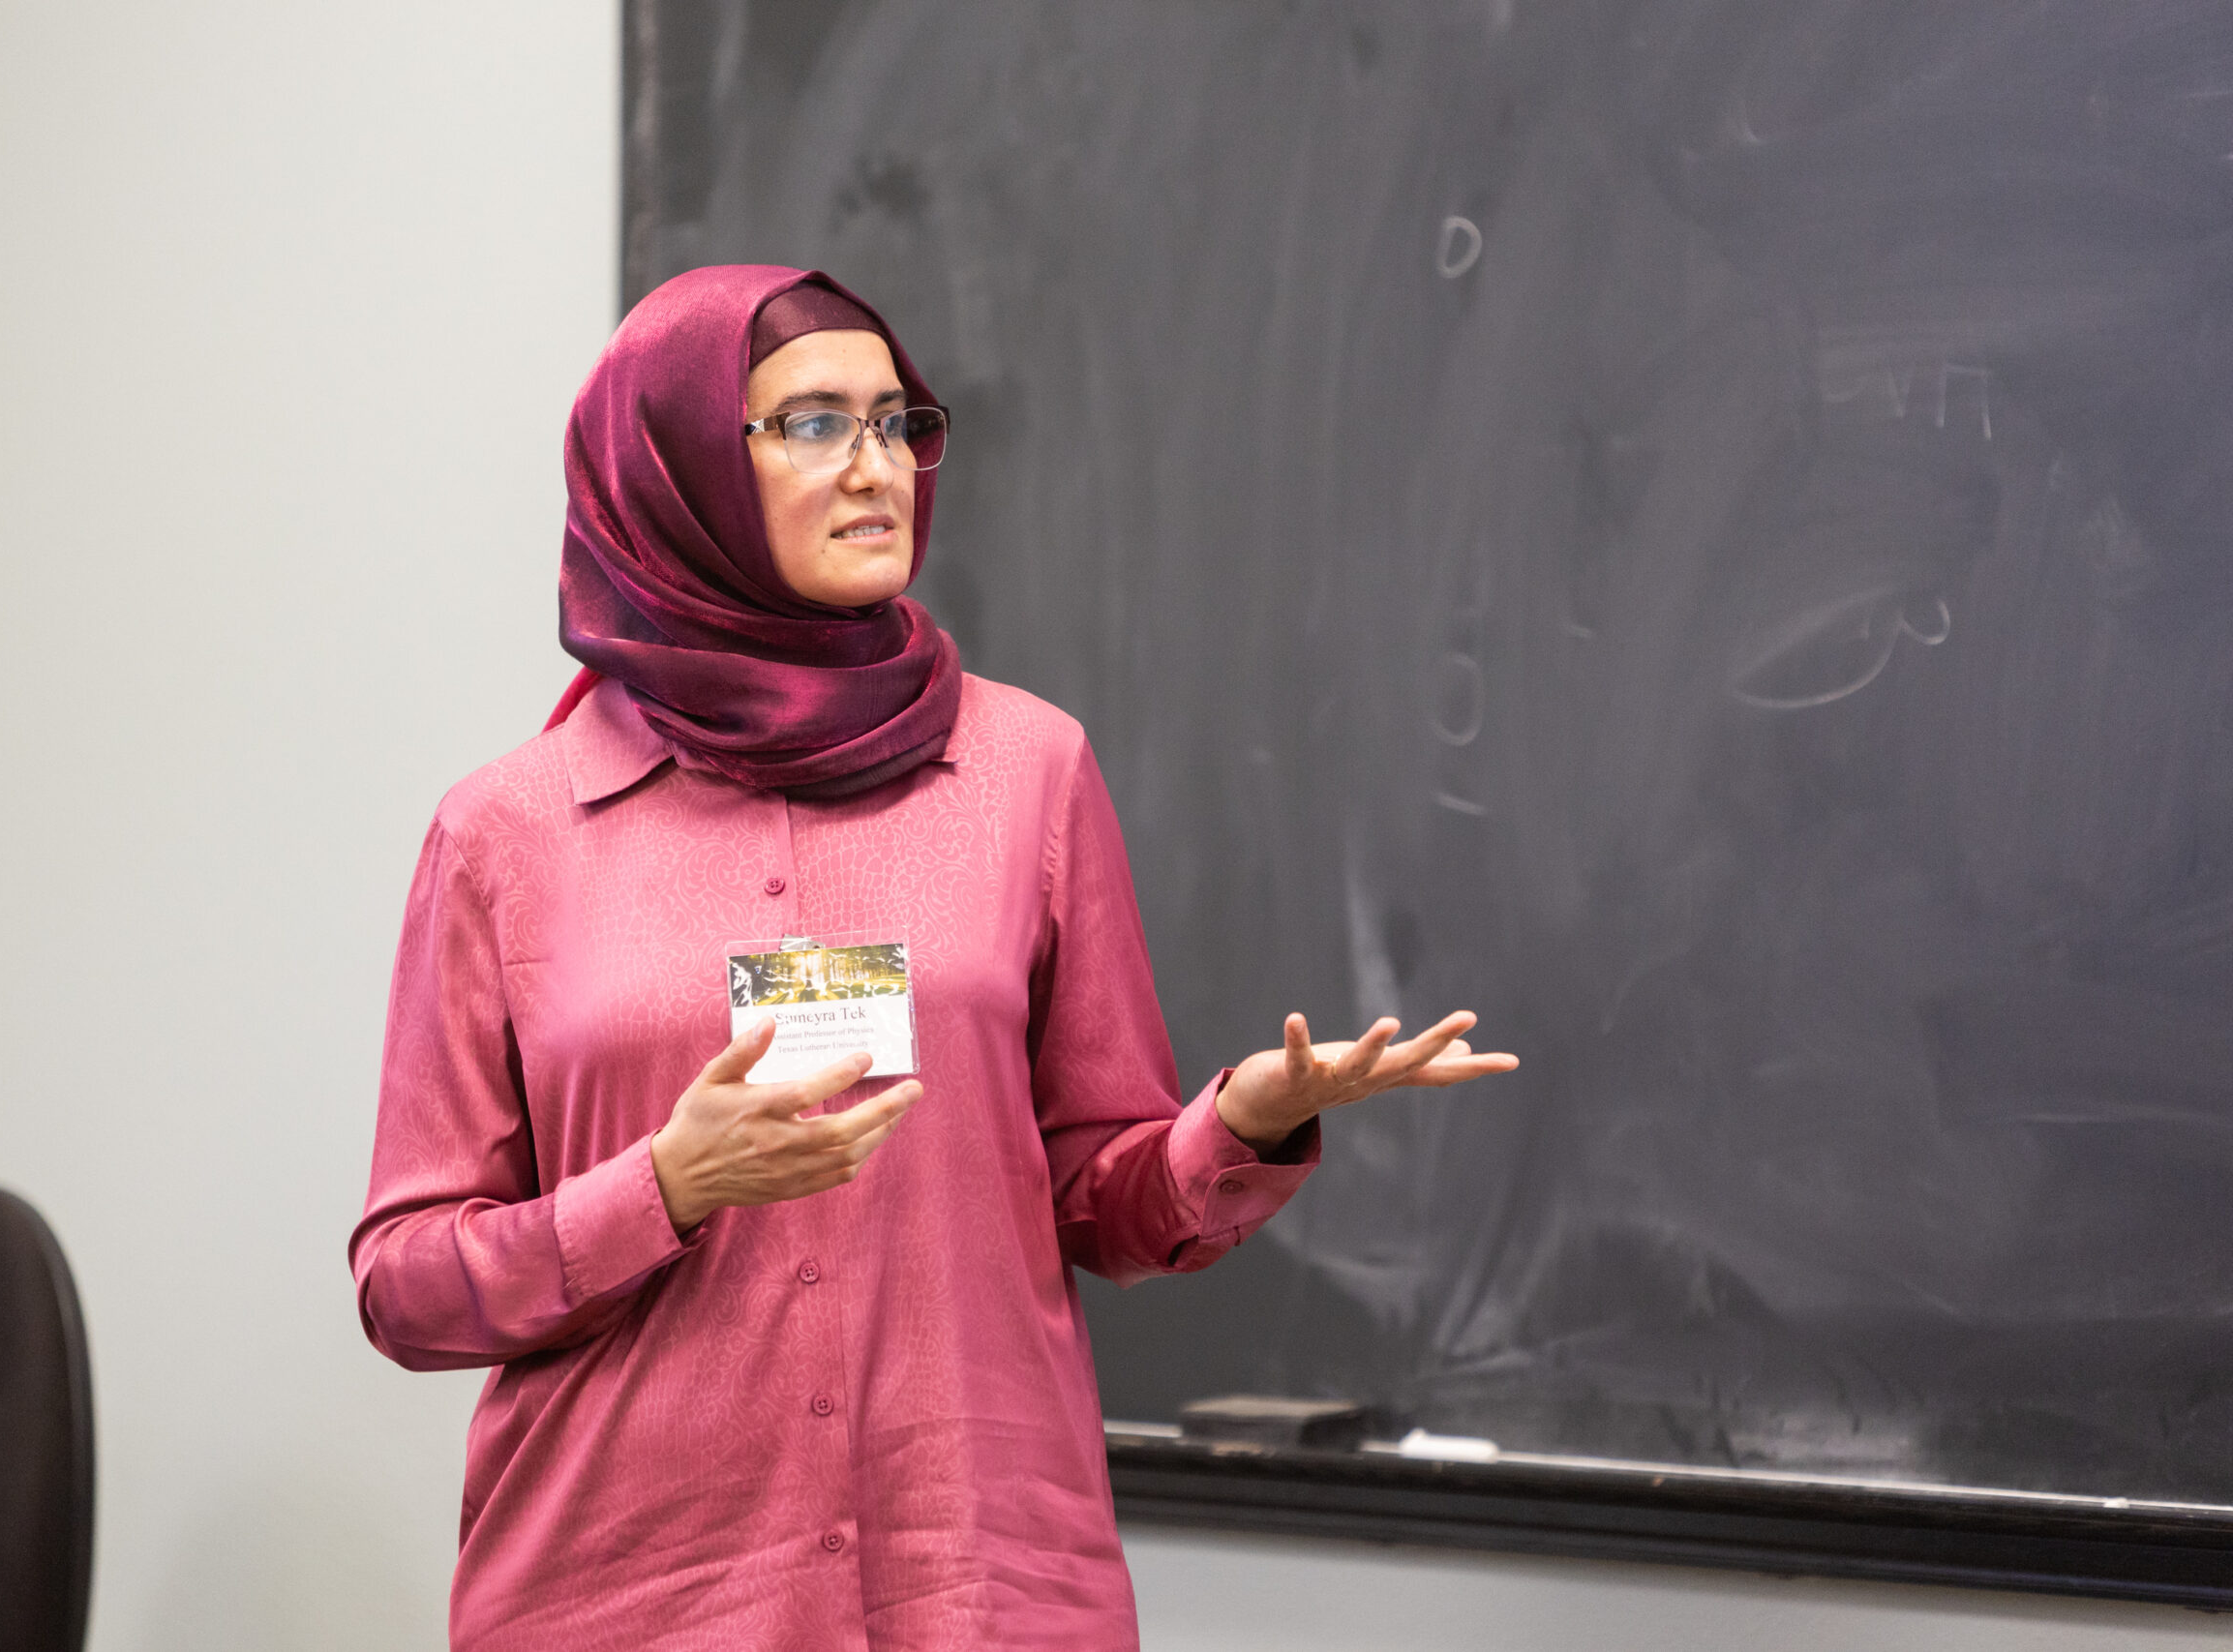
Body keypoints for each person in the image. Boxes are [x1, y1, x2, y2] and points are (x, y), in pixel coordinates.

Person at [349, 264, 1519, 1651]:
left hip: (973, 1593)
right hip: (641, 1604)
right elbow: (407, 1285)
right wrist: (663, 1185)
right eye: (813, 424)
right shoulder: (507, 837)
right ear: (666, 473)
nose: (878, 468)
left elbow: (1098, 1204)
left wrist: (1243, 1126)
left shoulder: (1026, 769)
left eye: (899, 423)